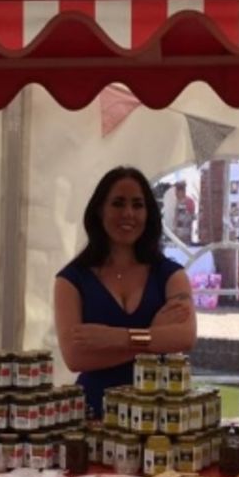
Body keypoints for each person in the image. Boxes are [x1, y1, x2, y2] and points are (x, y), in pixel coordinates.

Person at [54, 167, 197, 417]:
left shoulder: (171, 275)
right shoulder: (71, 280)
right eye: (118, 203)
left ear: (148, 213)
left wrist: (114, 338)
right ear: (100, 210)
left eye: (137, 205)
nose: (128, 213)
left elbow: (185, 337)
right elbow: (75, 357)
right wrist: (154, 337)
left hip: (159, 415)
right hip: (94, 413)